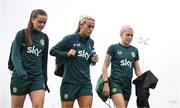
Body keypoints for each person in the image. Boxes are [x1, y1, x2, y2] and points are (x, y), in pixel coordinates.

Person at [50, 15, 98, 108]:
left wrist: (93, 60)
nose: (91, 29)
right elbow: (52, 51)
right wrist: (67, 54)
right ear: (81, 25)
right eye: (89, 26)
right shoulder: (70, 38)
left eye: (93, 27)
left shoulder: (91, 42)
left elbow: (88, 60)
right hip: (69, 83)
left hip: (85, 83)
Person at [10, 9, 50, 108]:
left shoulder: (45, 38)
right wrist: (21, 72)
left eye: (44, 22)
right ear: (32, 19)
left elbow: (44, 61)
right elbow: (15, 56)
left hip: (37, 78)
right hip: (20, 77)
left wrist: (45, 79)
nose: (42, 24)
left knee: (38, 106)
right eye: (39, 21)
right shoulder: (21, 34)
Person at [102, 25, 142, 108]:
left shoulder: (134, 50)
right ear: (121, 34)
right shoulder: (113, 48)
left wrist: (145, 81)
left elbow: (137, 71)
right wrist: (106, 83)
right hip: (115, 83)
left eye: (132, 35)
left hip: (127, 86)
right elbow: (104, 66)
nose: (130, 37)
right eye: (127, 35)